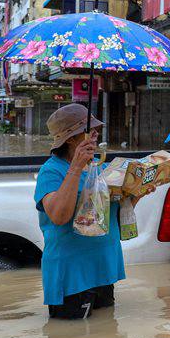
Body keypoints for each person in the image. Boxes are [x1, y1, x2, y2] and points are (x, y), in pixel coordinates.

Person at [34, 104, 125, 320]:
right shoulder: (51, 171)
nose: (95, 134)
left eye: (95, 129)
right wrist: (75, 168)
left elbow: (112, 216)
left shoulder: (100, 167)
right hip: (72, 270)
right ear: (71, 138)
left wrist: (137, 193)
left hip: (103, 265)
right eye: (89, 129)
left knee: (105, 336)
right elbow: (59, 216)